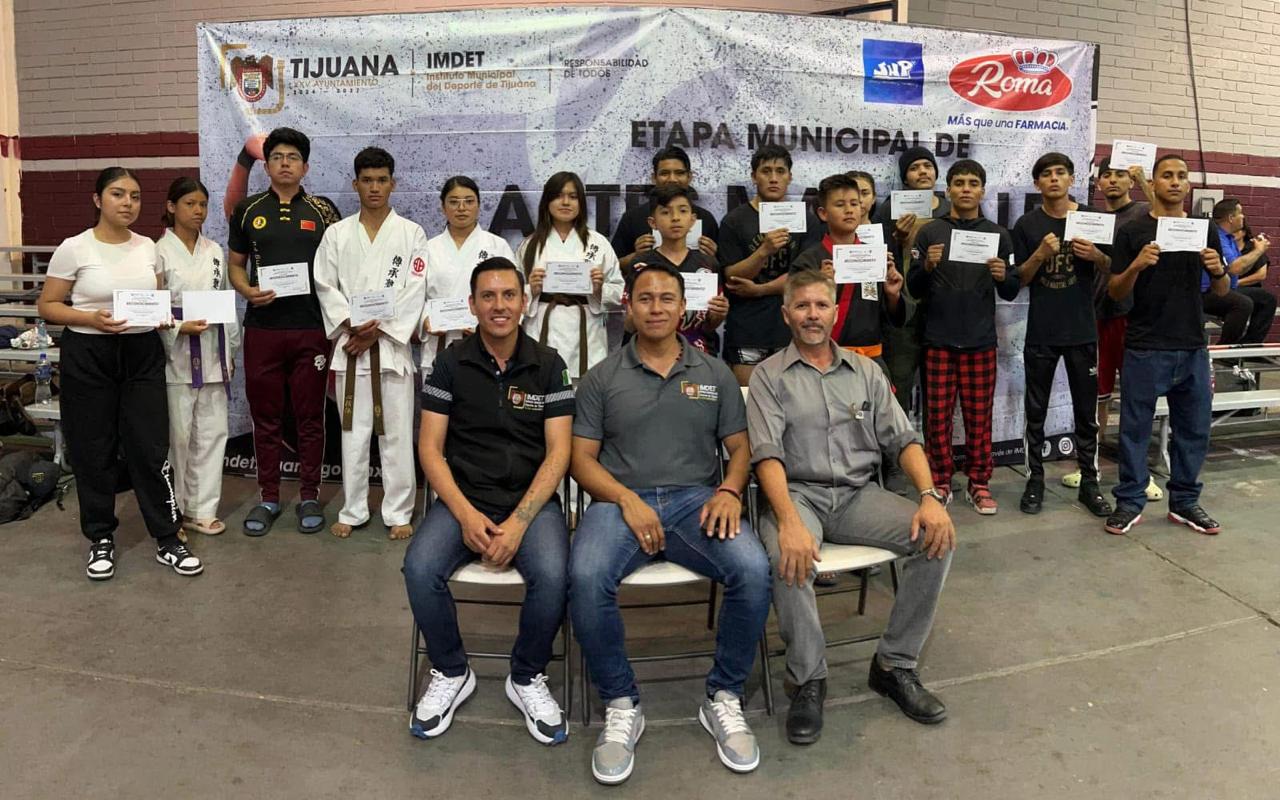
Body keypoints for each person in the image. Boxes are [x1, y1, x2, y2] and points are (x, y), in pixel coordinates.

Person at [569, 262, 771, 784]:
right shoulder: (601, 378)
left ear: (684, 308)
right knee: (585, 576)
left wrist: (730, 490)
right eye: (645, 298)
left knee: (753, 569)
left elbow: (740, 448)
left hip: (696, 502)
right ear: (628, 306)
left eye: (666, 299)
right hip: (619, 503)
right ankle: (621, 703)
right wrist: (624, 499)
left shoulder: (714, 373)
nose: (655, 308)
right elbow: (581, 460)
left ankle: (723, 695)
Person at [747, 269, 955, 745]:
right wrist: (788, 521)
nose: (812, 315)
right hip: (798, 495)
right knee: (787, 555)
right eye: (802, 306)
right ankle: (807, 679)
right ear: (786, 314)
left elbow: (904, 439)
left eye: (821, 305)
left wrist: (929, 497)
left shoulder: (866, 372)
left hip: (859, 495)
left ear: (835, 313)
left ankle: (894, 664)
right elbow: (767, 456)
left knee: (937, 537)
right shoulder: (768, 376)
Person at [403, 257, 574, 745]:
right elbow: (430, 450)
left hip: (531, 504)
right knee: (419, 568)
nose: (499, 305)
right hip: (464, 498)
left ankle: (527, 675)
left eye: (508, 295)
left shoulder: (550, 365)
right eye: (488, 296)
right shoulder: (450, 363)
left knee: (556, 575)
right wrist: (464, 514)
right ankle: (452, 669)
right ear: (473, 305)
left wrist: (519, 523)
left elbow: (559, 453)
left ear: (524, 302)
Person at [37, 167, 201, 580]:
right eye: (117, 194)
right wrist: (90, 318)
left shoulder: (147, 247)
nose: (128, 203)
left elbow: (158, 298)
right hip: (89, 354)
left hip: (141, 353)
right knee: (93, 449)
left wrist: (165, 317)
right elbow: (48, 306)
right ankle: (100, 538)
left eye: (135, 196)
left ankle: (168, 537)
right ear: (98, 200)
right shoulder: (75, 248)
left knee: (150, 447)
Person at [1104, 154, 1228, 536]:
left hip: (1192, 346)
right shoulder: (1133, 231)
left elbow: (1222, 291)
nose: (1175, 181)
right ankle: (1129, 501)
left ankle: (1185, 502)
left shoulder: (1203, 230)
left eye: (1181, 176)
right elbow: (1115, 290)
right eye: (1167, 175)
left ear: (1188, 184)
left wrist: (1218, 270)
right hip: (1145, 345)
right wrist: (1137, 265)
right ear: (1153, 183)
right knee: (1134, 429)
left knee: (1194, 430)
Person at [227, 127, 341, 536]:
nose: (285, 163)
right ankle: (269, 497)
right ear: (267, 165)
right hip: (263, 329)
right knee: (266, 417)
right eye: (277, 157)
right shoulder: (248, 210)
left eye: (293, 157)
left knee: (310, 417)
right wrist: (246, 291)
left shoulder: (324, 211)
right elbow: (235, 265)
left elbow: (339, 268)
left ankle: (310, 495)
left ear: (305, 166)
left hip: (311, 328)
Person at [314, 147, 427, 541]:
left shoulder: (411, 233)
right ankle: (354, 508)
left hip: (391, 351)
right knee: (353, 433)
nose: (374, 187)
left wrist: (376, 332)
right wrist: (352, 325)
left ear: (393, 183)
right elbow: (325, 285)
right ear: (355, 184)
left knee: (397, 434)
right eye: (367, 180)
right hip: (351, 350)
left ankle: (398, 511)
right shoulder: (336, 234)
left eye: (381, 180)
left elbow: (415, 289)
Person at [907, 159, 1019, 513]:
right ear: (949, 189)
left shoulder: (998, 235)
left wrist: (1003, 275)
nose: (966, 189)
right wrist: (927, 267)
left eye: (973, 183)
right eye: (959, 183)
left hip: (980, 341)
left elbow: (1011, 290)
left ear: (982, 190)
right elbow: (913, 287)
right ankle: (940, 481)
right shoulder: (930, 232)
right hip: (938, 339)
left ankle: (979, 483)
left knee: (978, 418)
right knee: (937, 419)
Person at [1011, 153, 1112, 517]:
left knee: (1086, 413)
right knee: (1035, 411)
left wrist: (1096, 255)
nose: (1053, 179)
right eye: (1046, 174)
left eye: (1060, 173)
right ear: (1037, 183)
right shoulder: (1027, 224)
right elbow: (1019, 280)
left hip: (1082, 330)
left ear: (1071, 179)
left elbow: (1113, 268)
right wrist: (1039, 255)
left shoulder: (1091, 218)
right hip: (1042, 331)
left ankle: (1090, 483)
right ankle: (1035, 481)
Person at [157, 176, 241, 539]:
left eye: (203, 204)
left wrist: (231, 350)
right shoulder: (158, 251)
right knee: (178, 438)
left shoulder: (214, 251)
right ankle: (173, 512)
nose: (198, 211)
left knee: (212, 433)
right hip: (175, 356)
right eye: (190, 203)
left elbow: (226, 303)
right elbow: (153, 306)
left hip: (213, 351)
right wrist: (178, 326)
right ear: (171, 207)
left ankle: (202, 509)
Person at [719, 144, 820, 385]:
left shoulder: (807, 220)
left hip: (794, 328)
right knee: (748, 401)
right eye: (766, 171)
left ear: (790, 177)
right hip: (747, 329)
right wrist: (763, 251)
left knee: (796, 403)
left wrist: (760, 289)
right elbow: (731, 277)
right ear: (754, 176)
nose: (773, 178)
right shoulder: (734, 221)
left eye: (780, 171)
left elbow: (805, 278)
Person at [791, 173, 906, 369]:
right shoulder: (808, 261)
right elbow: (796, 316)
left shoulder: (874, 257)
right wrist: (822, 288)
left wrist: (892, 295)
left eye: (854, 203)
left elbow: (892, 319)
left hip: (870, 360)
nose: (849, 210)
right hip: (822, 360)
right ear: (823, 213)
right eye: (840, 204)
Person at [871, 147, 954, 413]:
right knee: (899, 385)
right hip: (903, 314)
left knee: (938, 394)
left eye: (927, 166)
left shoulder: (950, 209)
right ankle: (897, 440)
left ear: (936, 173)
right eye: (914, 168)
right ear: (905, 177)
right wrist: (896, 240)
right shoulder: (889, 209)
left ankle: (934, 441)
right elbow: (872, 254)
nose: (922, 172)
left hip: (941, 311)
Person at [519, 171, 623, 381]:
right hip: (542, 326)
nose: (566, 202)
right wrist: (531, 289)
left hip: (586, 330)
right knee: (542, 384)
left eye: (573, 197)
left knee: (586, 389)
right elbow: (512, 294)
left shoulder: (598, 243)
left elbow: (620, 293)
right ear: (547, 201)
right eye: (558, 196)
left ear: (581, 203)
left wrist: (599, 289)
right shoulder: (530, 245)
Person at [420, 176, 515, 376]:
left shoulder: (497, 246)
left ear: (478, 206)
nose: (461, 208)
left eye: (469, 201)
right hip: (439, 343)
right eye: (454, 202)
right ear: (443, 207)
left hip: (486, 342)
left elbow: (513, 294)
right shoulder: (427, 248)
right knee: (438, 395)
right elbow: (414, 295)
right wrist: (424, 320)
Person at [627, 183, 727, 354]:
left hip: (698, 354)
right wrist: (634, 314)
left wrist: (719, 314)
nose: (675, 218)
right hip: (650, 354)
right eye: (666, 212)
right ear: (653, 222)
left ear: (692, 220)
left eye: (682, 211)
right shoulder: (641, 264)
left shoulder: (708, 264)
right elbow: (630, 325)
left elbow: (709, 325)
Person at [610, 145, 719, 272]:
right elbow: (612, 267)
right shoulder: (632, 218)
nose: (672, 179)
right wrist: (636, 256)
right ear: (654, 178)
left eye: (679, 173)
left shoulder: (706, 218)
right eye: (664, 173)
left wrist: (713, 255)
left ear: (689, 177)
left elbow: (721, 268)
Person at [1205, 199, 1275, 346]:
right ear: (1231, 218)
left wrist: (1256, 251)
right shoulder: (1217, 237)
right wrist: (1258, 251)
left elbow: (1242, 268)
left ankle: (1250, 345)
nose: (1243, 217)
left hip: (1230, 288)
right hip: (1210, 291)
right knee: (1243, 304)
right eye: (1240, 213)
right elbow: (1234, 268)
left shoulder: (1230, 238)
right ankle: (1225, 348)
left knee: (1267, 299)